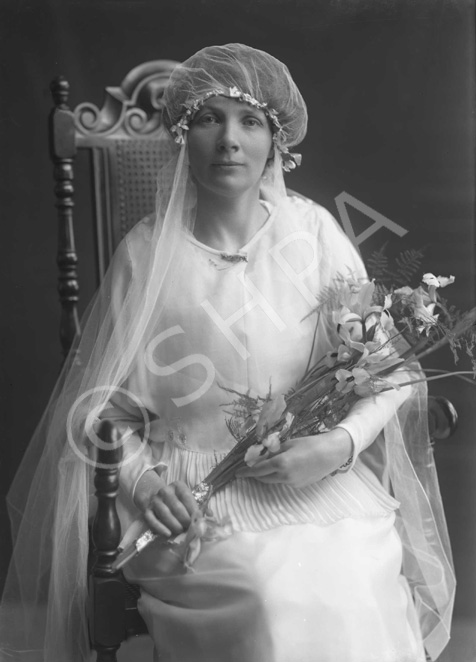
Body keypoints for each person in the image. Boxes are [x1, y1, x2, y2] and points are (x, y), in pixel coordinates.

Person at [1, 44, 455, 662]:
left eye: (249, 122)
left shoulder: (316, 232)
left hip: (314, 483)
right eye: (208, 120)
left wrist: (337, 446)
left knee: (350, 585)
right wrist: (144, 480)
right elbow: (96, 407)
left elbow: (390, 370)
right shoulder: (145, 254)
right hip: (193, 497)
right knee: (269, 596)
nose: (229, 141)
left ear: (277, 141)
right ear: (184, 138)